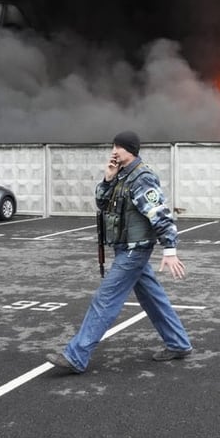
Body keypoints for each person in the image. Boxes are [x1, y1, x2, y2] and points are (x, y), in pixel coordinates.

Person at [46, 130, 192, 374]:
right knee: (153, 299)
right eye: (113, 146)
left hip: (135, 251)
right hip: (125, 248)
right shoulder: (121, 176)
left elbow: (161, 215)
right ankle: (178, 343)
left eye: (119, 147)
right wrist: (107, 179)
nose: (114, 151)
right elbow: (102, 203)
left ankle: (76, 356)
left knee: (105, 299)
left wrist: (170, 250)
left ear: (130, 150)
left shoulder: (142, 178)